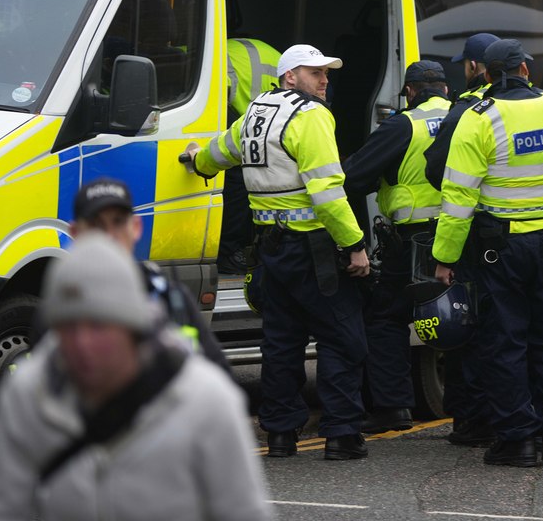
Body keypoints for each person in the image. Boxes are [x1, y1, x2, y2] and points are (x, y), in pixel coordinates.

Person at [0, 234, 269, 521]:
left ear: (133, 328)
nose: (83, 343)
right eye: (68, 326)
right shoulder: (28, 391)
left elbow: (243, 511)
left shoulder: (206, 399)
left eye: (99, 325)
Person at [188, 44, 371, 461]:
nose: (324, 81)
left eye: (326, 73)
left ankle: (281, 436)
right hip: (315, 251)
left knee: (281, 343)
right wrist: (354, 245)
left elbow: (221, 153)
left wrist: (196, 161)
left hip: (270, 252)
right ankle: (342, 435)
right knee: (342, 339)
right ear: (291, 76)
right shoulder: (311, 116)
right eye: (314, 73)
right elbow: (327, 191)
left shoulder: (257, 112)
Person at [432, 38, 543, 467]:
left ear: (486, 74)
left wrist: (445, 257)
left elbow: (458, 199)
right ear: (525, 69)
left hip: (497, 249)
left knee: (505, 342)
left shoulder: (477, 118)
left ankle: (518, 439)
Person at [342, 60, 451, 433]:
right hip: (464, 234)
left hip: (414, 241)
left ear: (410, 92)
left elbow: (353, 177)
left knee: (386, 318)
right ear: (446, 90)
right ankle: (471, 410)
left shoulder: (404, 124)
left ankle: (392, 408)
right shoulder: (467, 116)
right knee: (465, 316)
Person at [423, 32, 500, 448]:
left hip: (475, 234)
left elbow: (439, 170)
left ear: (475, 67)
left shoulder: (468, 110)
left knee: (470, 327)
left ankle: (473, 422)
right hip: (537, 234)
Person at [69, 178, 230, 375]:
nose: (109, 235)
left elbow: (221, 379)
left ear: (136, 227)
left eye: (118, 222)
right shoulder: (60, 310)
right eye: (96, 225)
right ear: (75, 233)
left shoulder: (171, 299)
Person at [219, 38, 282, 274]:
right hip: (262, 122)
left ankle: (228, 252)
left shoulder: (214, 56)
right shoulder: (231, 52)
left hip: (252, 121)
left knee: (236, 181)